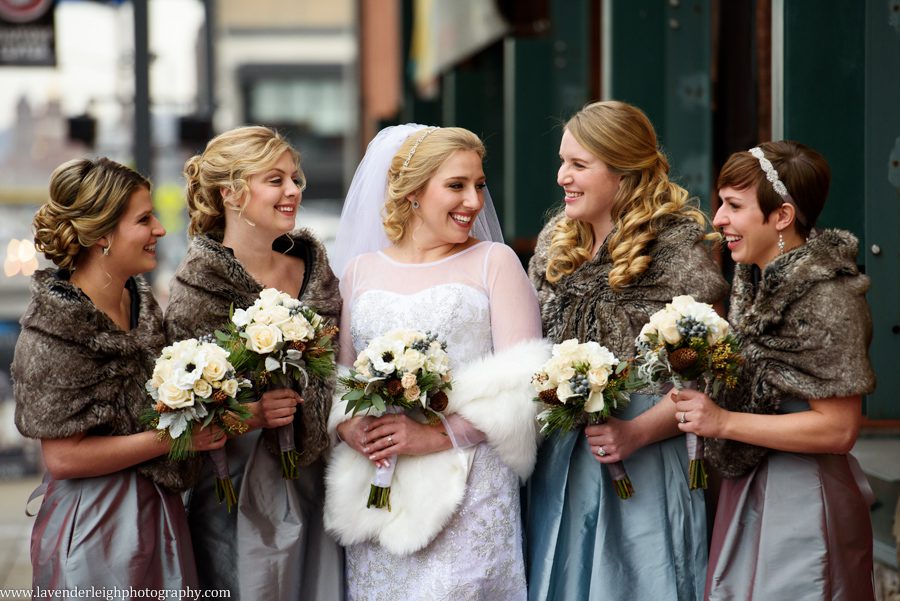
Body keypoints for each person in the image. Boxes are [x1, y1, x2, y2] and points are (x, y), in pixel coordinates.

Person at [325, 124, 547, 600]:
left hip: (470, 490)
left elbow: (524, 386)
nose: (474, 202)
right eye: (456, 185)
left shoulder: (495, 262)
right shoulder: (360, 272)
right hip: (383, 491)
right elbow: (339, 380)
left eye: (479, 185)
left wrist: (434, 435)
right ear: (412, 194)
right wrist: (350, 428)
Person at [526, 100, 729, 601]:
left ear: (623, 171)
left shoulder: (677, 250)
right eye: (562, 162)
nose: (562, 177)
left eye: (578, 165)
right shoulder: (555, 243)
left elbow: (708, 371)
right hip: (563, 455)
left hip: (648, 452)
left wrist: (637, 431)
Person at [672, 140, 876, 601]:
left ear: (781, 216)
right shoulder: (755, 283)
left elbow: (839, 429)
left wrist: (723, 422)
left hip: (800, 500)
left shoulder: (827, 297)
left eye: (734, 205)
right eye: (721, 203)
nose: (719, 218)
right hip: (749, 487)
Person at [13, 157, 225, 590]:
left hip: (159, 512)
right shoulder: (54, 328)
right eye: (144, 220)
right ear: (103, 236)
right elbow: (64, 457)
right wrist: (177, 438)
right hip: (95, 524)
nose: (160, 230)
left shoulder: (141, 304)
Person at [165, 126, 343, 601]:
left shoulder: (316, 271)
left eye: (295, 178)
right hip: (234, 487)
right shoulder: (196, 286)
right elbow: (180, 405)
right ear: (231, 193)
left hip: (317, 475)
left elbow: (335, 370)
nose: (293, 191)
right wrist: (249, 414)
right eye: (275, 180)